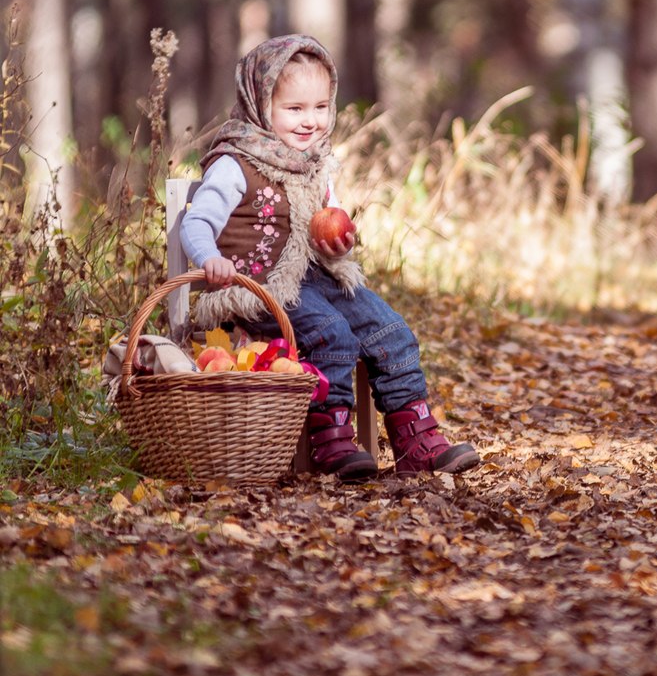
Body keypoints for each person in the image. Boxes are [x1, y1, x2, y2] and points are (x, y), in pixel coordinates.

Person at [180, 33, 480, 482]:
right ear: (261, 104)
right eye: (295, 109)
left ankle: (415, 438)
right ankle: (332, 438)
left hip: (316, 279)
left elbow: (325, 223)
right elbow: (195, 223)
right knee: (330, 334)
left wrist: (337, 246)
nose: (311, 122)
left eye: (320, 107)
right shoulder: (235, 162)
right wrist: (210, 260)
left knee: (392, 329)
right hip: (259, 290)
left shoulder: (317, 163)